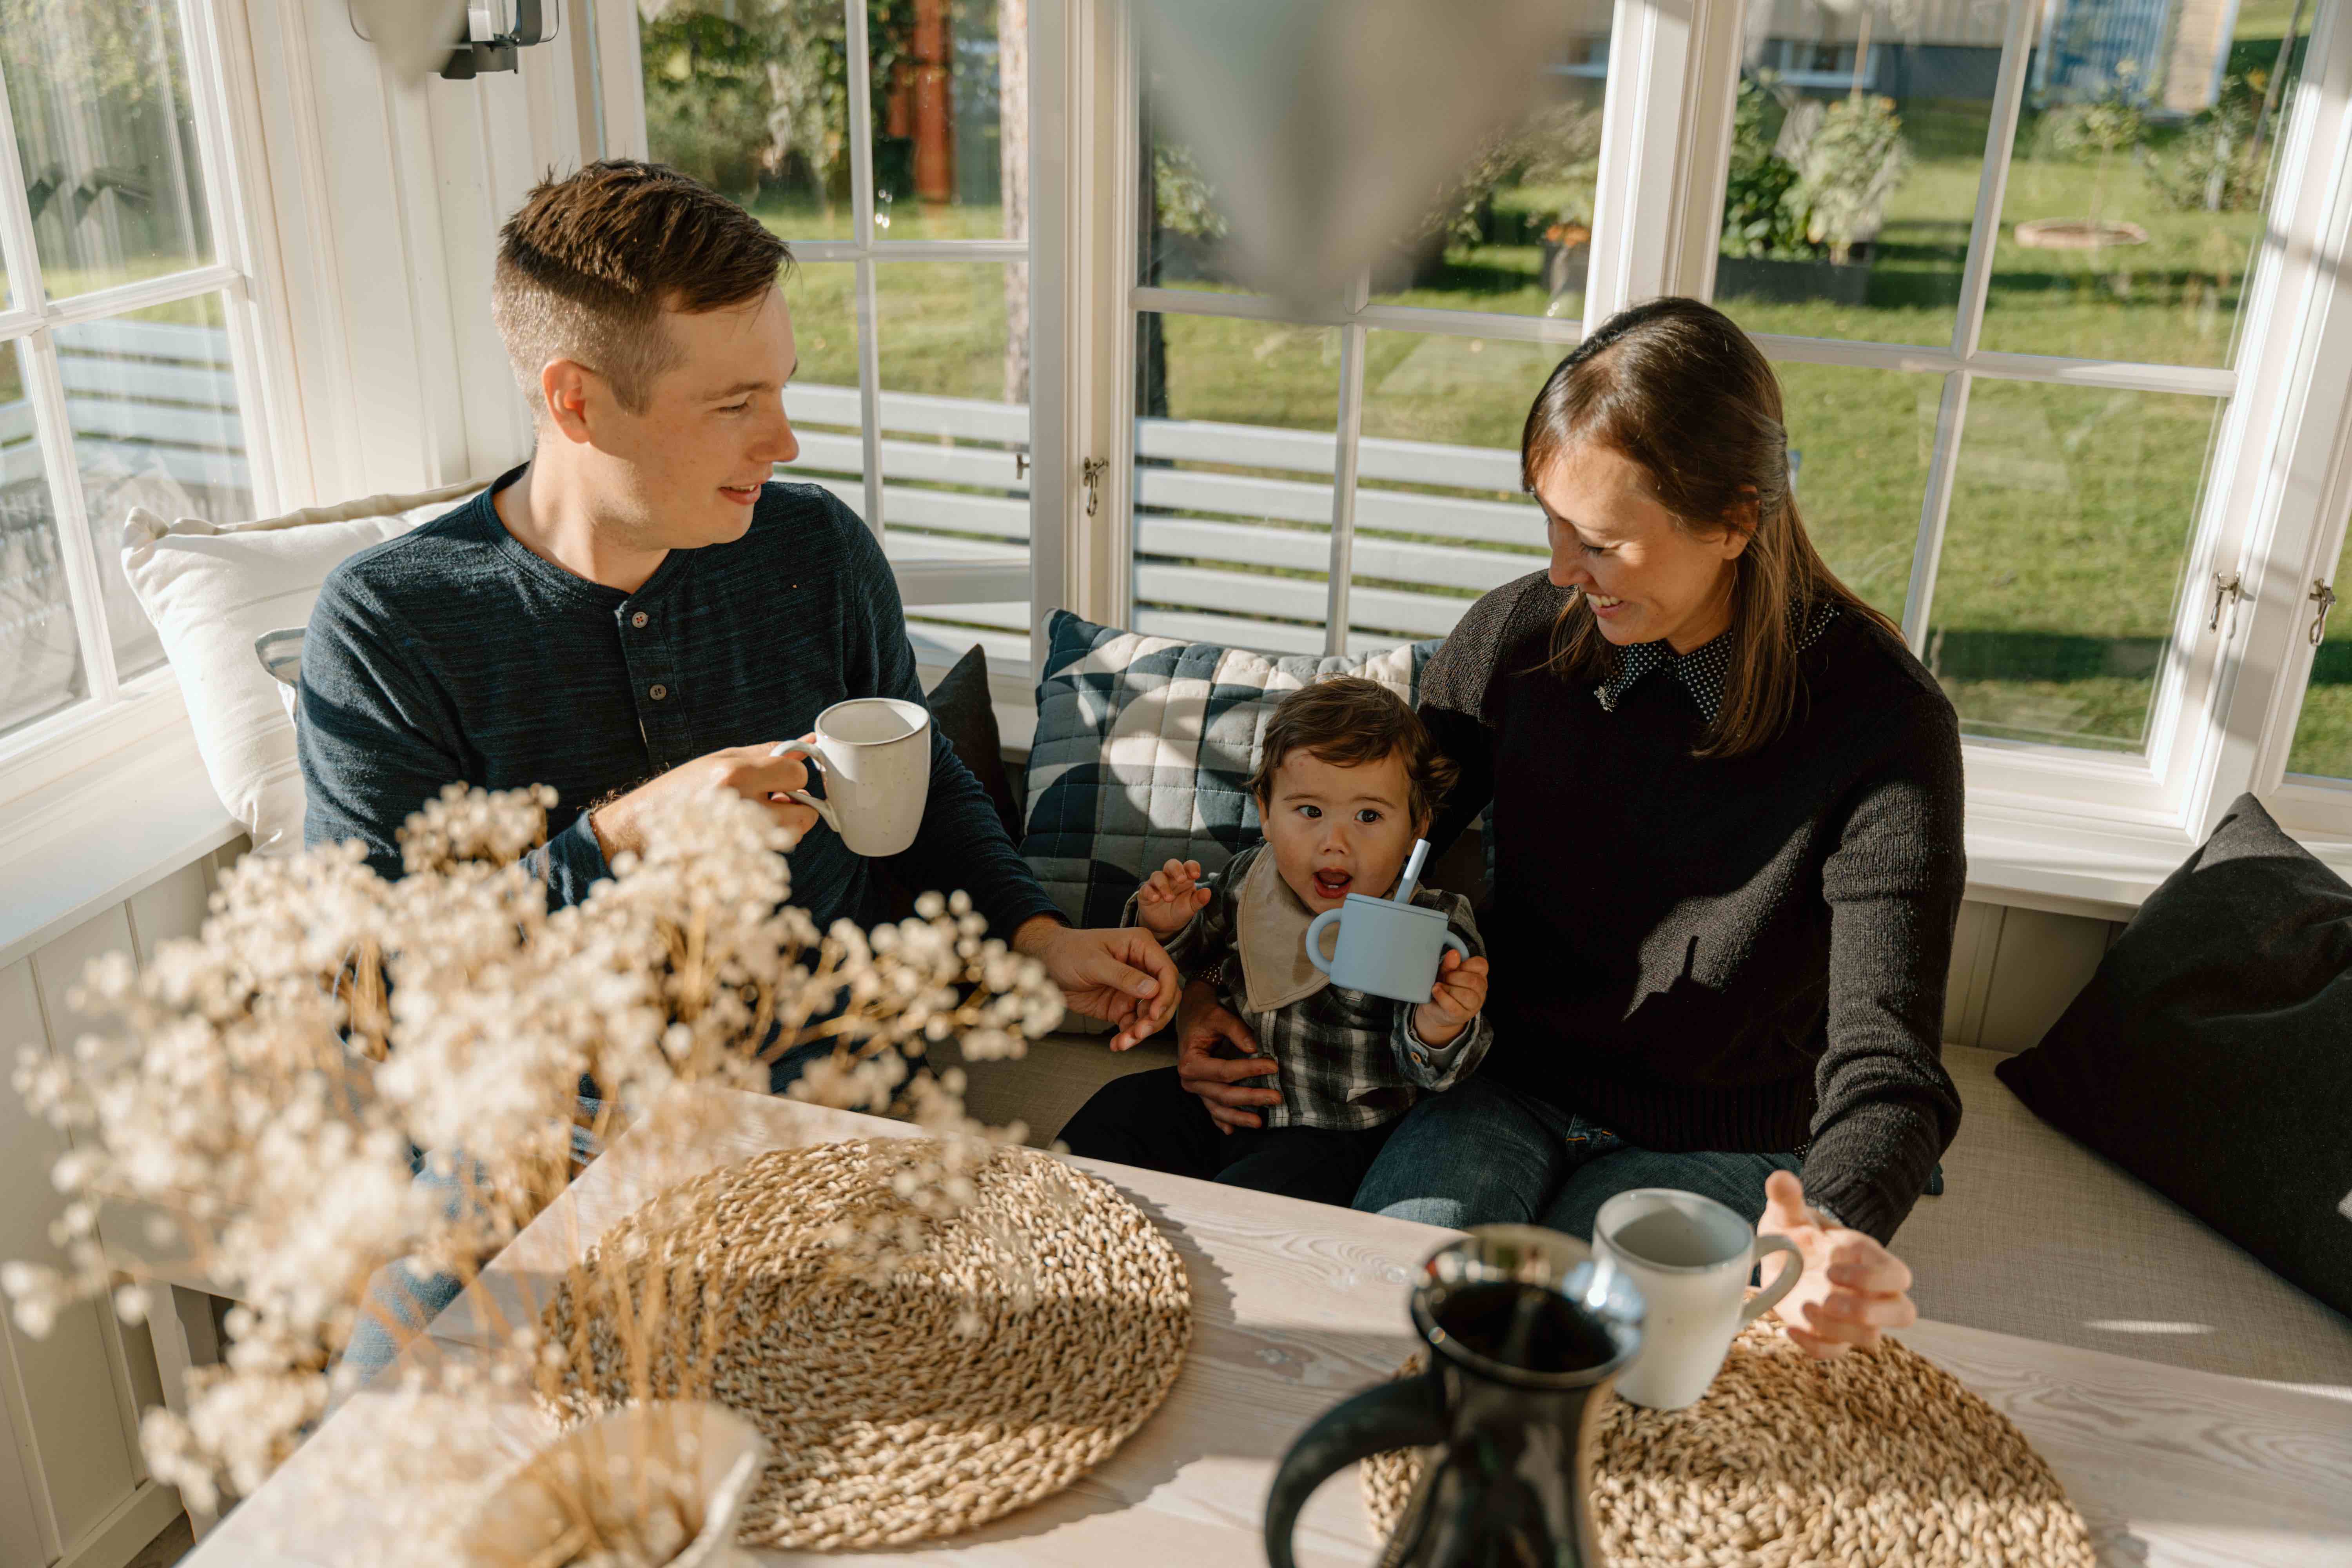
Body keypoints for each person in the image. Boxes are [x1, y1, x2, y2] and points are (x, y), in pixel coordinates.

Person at [1168, 298, 1962, 1358]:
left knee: (1561, 1364)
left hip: (1722, 1133)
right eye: (1549, 524)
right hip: (1501, 1083)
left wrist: (1829, 1227)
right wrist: (1207, 991)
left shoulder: (1884, 724)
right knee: (1382, 1321)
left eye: (1600, 543)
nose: (1558, 573)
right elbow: (1353, 858)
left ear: (1735, 521)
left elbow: (1891, 1063)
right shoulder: (1516, 642)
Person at [296, 162, 1178, 1065]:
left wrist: (1038, 940)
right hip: (565, 1148)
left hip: (846, 1104)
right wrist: (624, 840)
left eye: (782, 388)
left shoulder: (816, 548)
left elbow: (924, 775)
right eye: (735, 404)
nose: (784, 441)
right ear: (578, 401)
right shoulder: (388, 626)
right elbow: (368, 992)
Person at [1055, 678, 1491, 1205]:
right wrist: (1165, 925)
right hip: (1224, 1106)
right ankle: (1055, 1231)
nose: (1335, 842)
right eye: (1310, 812)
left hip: (1335, 1134)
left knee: (1250, 1204)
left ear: (1416, 828)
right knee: (1115, 1112)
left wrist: (1440, 1026)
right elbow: (1183, 966)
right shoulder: (1247, 881)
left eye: (1369, 816)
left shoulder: (1433, 921)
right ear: (1266, 811)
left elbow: (1439, 1071)